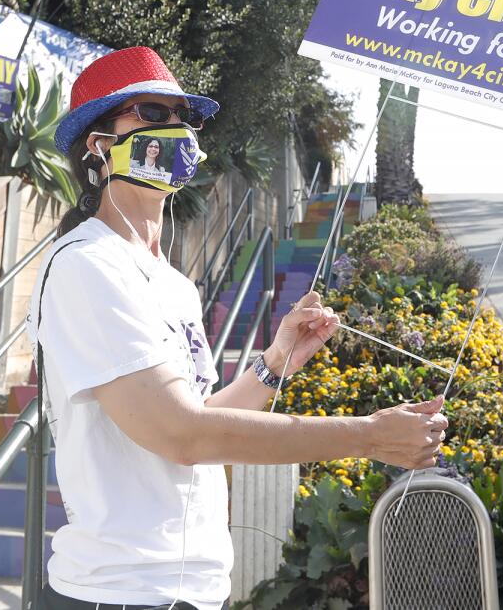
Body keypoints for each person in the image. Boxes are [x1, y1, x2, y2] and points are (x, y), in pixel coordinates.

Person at [29, 46, 447, 610]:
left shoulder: (172, 282)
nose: (174, 129)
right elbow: (182, 435)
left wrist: (275, 362)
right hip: (121, 593)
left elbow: (203, 421)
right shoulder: (86, 265)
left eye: (186, 118)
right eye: (152, 114)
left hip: (190, 592)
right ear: (98, 144)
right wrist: (369, 435)